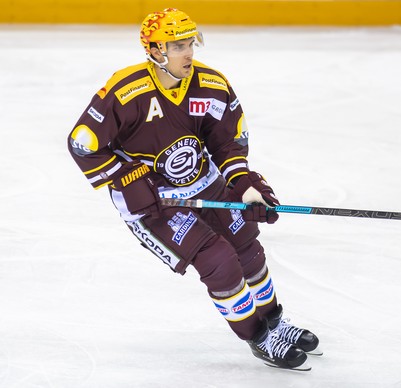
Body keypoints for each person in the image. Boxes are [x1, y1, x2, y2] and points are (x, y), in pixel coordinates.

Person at [67, 8, 319, 370]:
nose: (189, 53)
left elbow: (228, 143)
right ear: (155, 51)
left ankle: (275, 322)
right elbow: (83, 144)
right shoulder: (126, 91)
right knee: (218, 260)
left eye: (191, 43)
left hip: (204, 183)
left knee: (248, 249)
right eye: (179, 45)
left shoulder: (211, 85)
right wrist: (127, 177)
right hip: (155, 203)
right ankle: (259, 338)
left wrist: (244, 184)